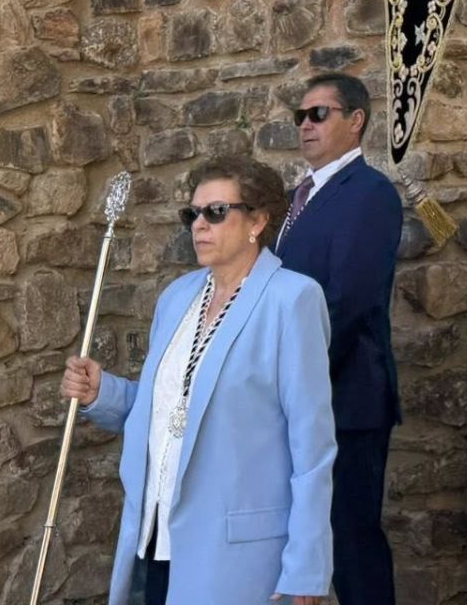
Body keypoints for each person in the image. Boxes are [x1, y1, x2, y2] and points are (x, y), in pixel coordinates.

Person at [63, 159, 334, 605]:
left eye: (216, 212)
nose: (199, 225)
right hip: (157, 535)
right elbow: (170, 411)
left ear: (258, 220)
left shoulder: (293, 299)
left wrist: (307, 564)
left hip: (239, 555)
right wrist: (101, 393)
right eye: (193, 214)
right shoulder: (177, 297)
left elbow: (313, 447)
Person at [269, 72, 405, 604]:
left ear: (355, 121)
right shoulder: (297, 198)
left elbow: (347, 300)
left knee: (350, 542)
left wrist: (294, 384)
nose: (305, 124)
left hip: (346, 398)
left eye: (318, 114)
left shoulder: (369, 193)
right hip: (302, 398)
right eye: (299, 116)